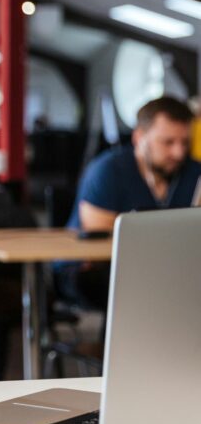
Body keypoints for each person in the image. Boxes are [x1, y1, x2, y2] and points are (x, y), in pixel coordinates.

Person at [60, 96, 201, 308]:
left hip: (168, 266)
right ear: (139, 137)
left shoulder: (194, 172)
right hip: (93, 270)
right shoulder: (107, 171)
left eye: (184, 142)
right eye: (168, 142)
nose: (178, 152)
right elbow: (103, 246)